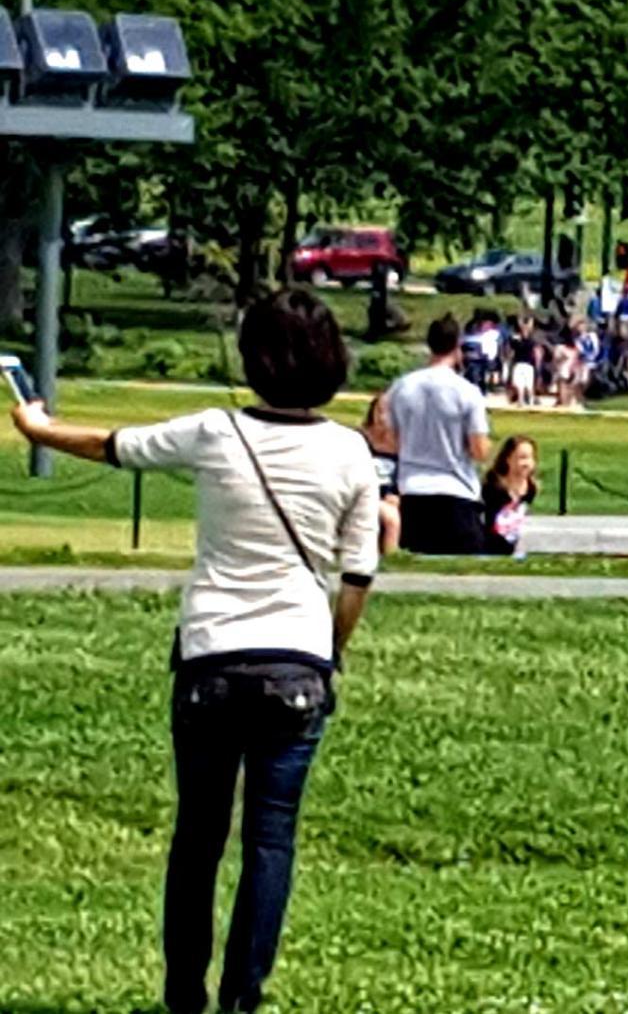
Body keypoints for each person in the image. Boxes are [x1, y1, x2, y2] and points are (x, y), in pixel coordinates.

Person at [10, 289, 380, 1014]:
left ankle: (185, 991)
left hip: (211, 655)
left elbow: (113, 447)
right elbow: (357, 575)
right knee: (271, 838)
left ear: (254, 358)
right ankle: (245, 996)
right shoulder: (350, 451)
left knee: (199, 836)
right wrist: (329, 652)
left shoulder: (216, 433)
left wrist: (38, 427)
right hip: (297, 662)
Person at [388, 314, 491, 554]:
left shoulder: (401, 387)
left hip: (412, 491)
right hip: (455, 491)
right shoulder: (466, 391)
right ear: (457, 347)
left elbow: (393, 441)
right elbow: (478, 450)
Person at [481, 435, 539, 556]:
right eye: (522, 458)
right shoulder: (494, 487)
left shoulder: (530, 488)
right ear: (508, 459)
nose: (527, 463)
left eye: (530, 458)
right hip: (489, 545)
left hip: (512, 544)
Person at [360, 392, 402, 553]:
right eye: (380, 411)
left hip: (390, 496)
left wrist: (395, 493)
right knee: (390, 517)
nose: (383, 417)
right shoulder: (359, 438)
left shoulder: (404, 443)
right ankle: (391, 557)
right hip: (363, 494)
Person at [508, 316, 538, 406]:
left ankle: (530, 400)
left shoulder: (529, 341)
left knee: (528, 385)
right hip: (519, 364)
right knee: (519, 384)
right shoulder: (519, 340)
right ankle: (521, 400)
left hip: (527, 365)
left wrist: (522, 322)